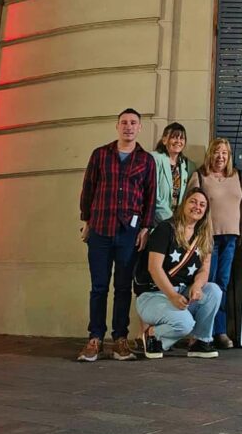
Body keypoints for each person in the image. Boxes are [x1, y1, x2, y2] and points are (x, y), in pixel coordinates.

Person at [77, 108, 156, 362]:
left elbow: (150, 196)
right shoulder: (100, 155)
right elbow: (88, 188)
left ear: (139, 128)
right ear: (117, 126)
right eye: (124, 122)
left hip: (128, 233)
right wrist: (86, 220)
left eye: (133, 123)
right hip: (100, 228)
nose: (128, 127)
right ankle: (95, 339)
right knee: (99, 287)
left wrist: (145, 227)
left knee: (123, 287)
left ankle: (120, 339)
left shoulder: (146, 160)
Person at [134, 187, 222, 359]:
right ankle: (152, 335)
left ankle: (200, 341)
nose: (197, 207)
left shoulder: (204, 235)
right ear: (183, 205)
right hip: (155, 295)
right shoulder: (165, 229)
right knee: (185, 324)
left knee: (213, 291)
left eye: (202, 205)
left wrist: (197, 285)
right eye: (193, 202)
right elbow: (154, 268)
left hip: (183, 291)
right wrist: (173, 296)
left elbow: (205, 269)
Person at [188, 138, 242, 350]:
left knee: (222, 284)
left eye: (225, 153)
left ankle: (219, 330)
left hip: (230, 238)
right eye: (217, 152)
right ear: (210, 154)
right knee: (207, 284)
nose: (220, 156)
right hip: (208, 238)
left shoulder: (237, 176)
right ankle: (202, 332)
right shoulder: (200, 176)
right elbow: (191, 206)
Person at [152, 122, 190, 222]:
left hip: (176, 221)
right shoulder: (155, 158)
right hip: (157, 220)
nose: (178, 141)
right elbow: (153, 194)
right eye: (174, 137)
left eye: (181, 138)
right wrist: (169, 218)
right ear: (164, 140)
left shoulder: (184, 164)